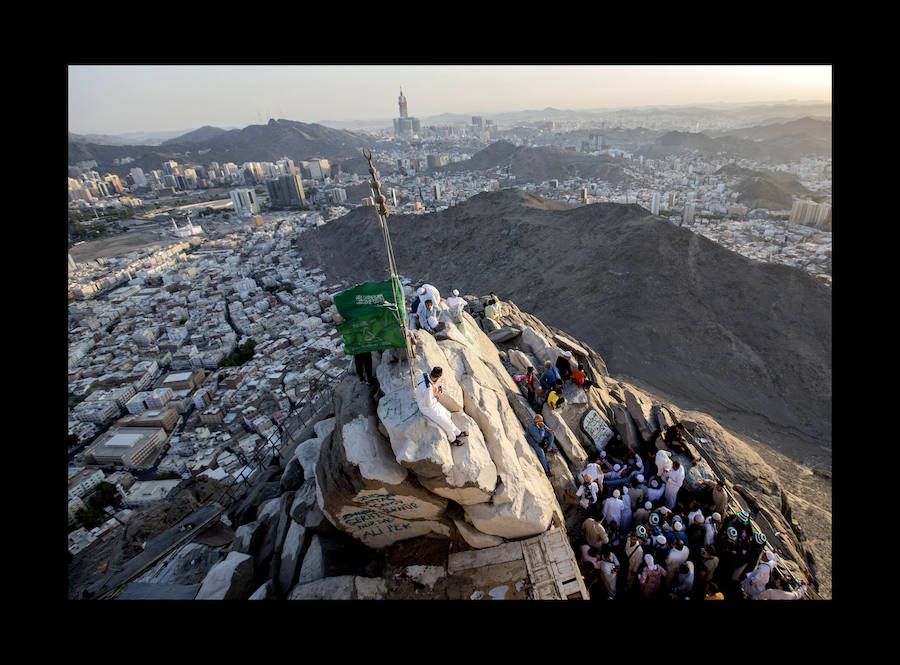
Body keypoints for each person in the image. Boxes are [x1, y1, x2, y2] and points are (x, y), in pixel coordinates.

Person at [414, 366, 467, 446]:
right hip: (426, 408)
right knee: (445, 422)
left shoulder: (424, 375)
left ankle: (457, 432)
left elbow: (418, 379)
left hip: (429, 401)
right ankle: (452, 439)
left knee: (446, 415)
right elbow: (428, 404)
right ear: (438, 377)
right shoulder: (428, 389)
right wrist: (437, 396)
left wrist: (433, 386)